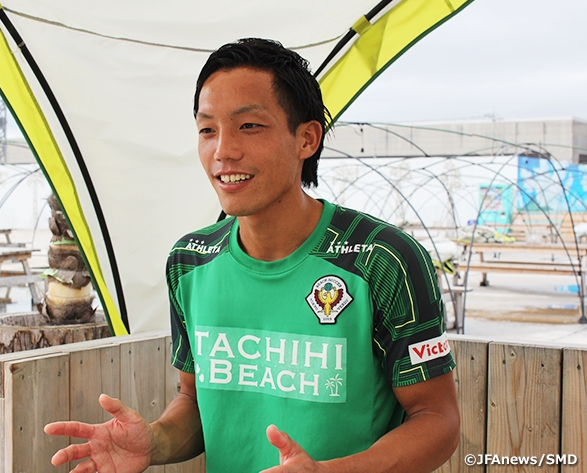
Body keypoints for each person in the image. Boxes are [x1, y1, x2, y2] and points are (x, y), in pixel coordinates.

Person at [45, 38, 460, 473]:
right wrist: (155, 441)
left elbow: (437, 419)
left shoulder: (382, 258)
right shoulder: (190, 261)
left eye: (249, 126)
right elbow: (195, 401)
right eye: (208, 130)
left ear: (306, 138)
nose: (223, 151)